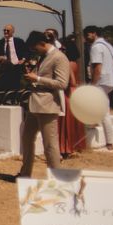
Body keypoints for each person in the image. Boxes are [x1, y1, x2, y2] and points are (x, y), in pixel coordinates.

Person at [16, 31, 68, 177]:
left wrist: (37, 79)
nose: (34, 51)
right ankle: (25, 173)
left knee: (50, 144)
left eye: (35, 48)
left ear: (41, 43)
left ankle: (57, 177)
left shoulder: (59, 57)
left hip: (48, 104)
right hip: (35, 103)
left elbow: (62, 83)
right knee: (27, 138)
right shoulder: (43, 57)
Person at [84, 25, 113, 151]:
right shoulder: (108, 46)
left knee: (104, 113)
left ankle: (109, 144)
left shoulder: (96, 47)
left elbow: (97, 67)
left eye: (87, 35)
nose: (86, 38)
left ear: (94, 33)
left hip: (101, 81)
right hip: (110, 80)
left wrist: (93, 84)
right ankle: (92, 124)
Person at [58, 35, 86, 158]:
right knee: (74, 123)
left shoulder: (68, 63)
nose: (61, 51)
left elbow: (72, 81)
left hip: (68, 92)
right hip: (75, 92)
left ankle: (66, 148)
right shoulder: (75, 63)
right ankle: (73, 146)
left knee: (66, 124)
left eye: (63, 49)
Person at [0, 24, 28, 90]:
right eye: (4, 30)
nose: (6, 32)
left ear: (13, 31)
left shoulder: (19, 41)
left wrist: (23, 59)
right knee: (5, 87)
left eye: (8, 30)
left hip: (17, 67)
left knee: (17, 87)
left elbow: (26, 52)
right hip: (5, 68)